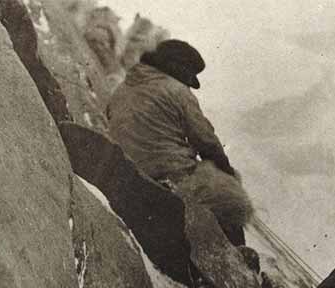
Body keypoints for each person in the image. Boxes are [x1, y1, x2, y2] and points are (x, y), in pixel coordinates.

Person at [105, 39, 253, 247]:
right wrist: (227, 173)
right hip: (166, 175)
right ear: (179, 69)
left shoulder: (123, 87)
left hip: (124, 170)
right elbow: (207, 142)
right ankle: (234, 259)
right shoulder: (178, 91)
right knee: (231, 200)